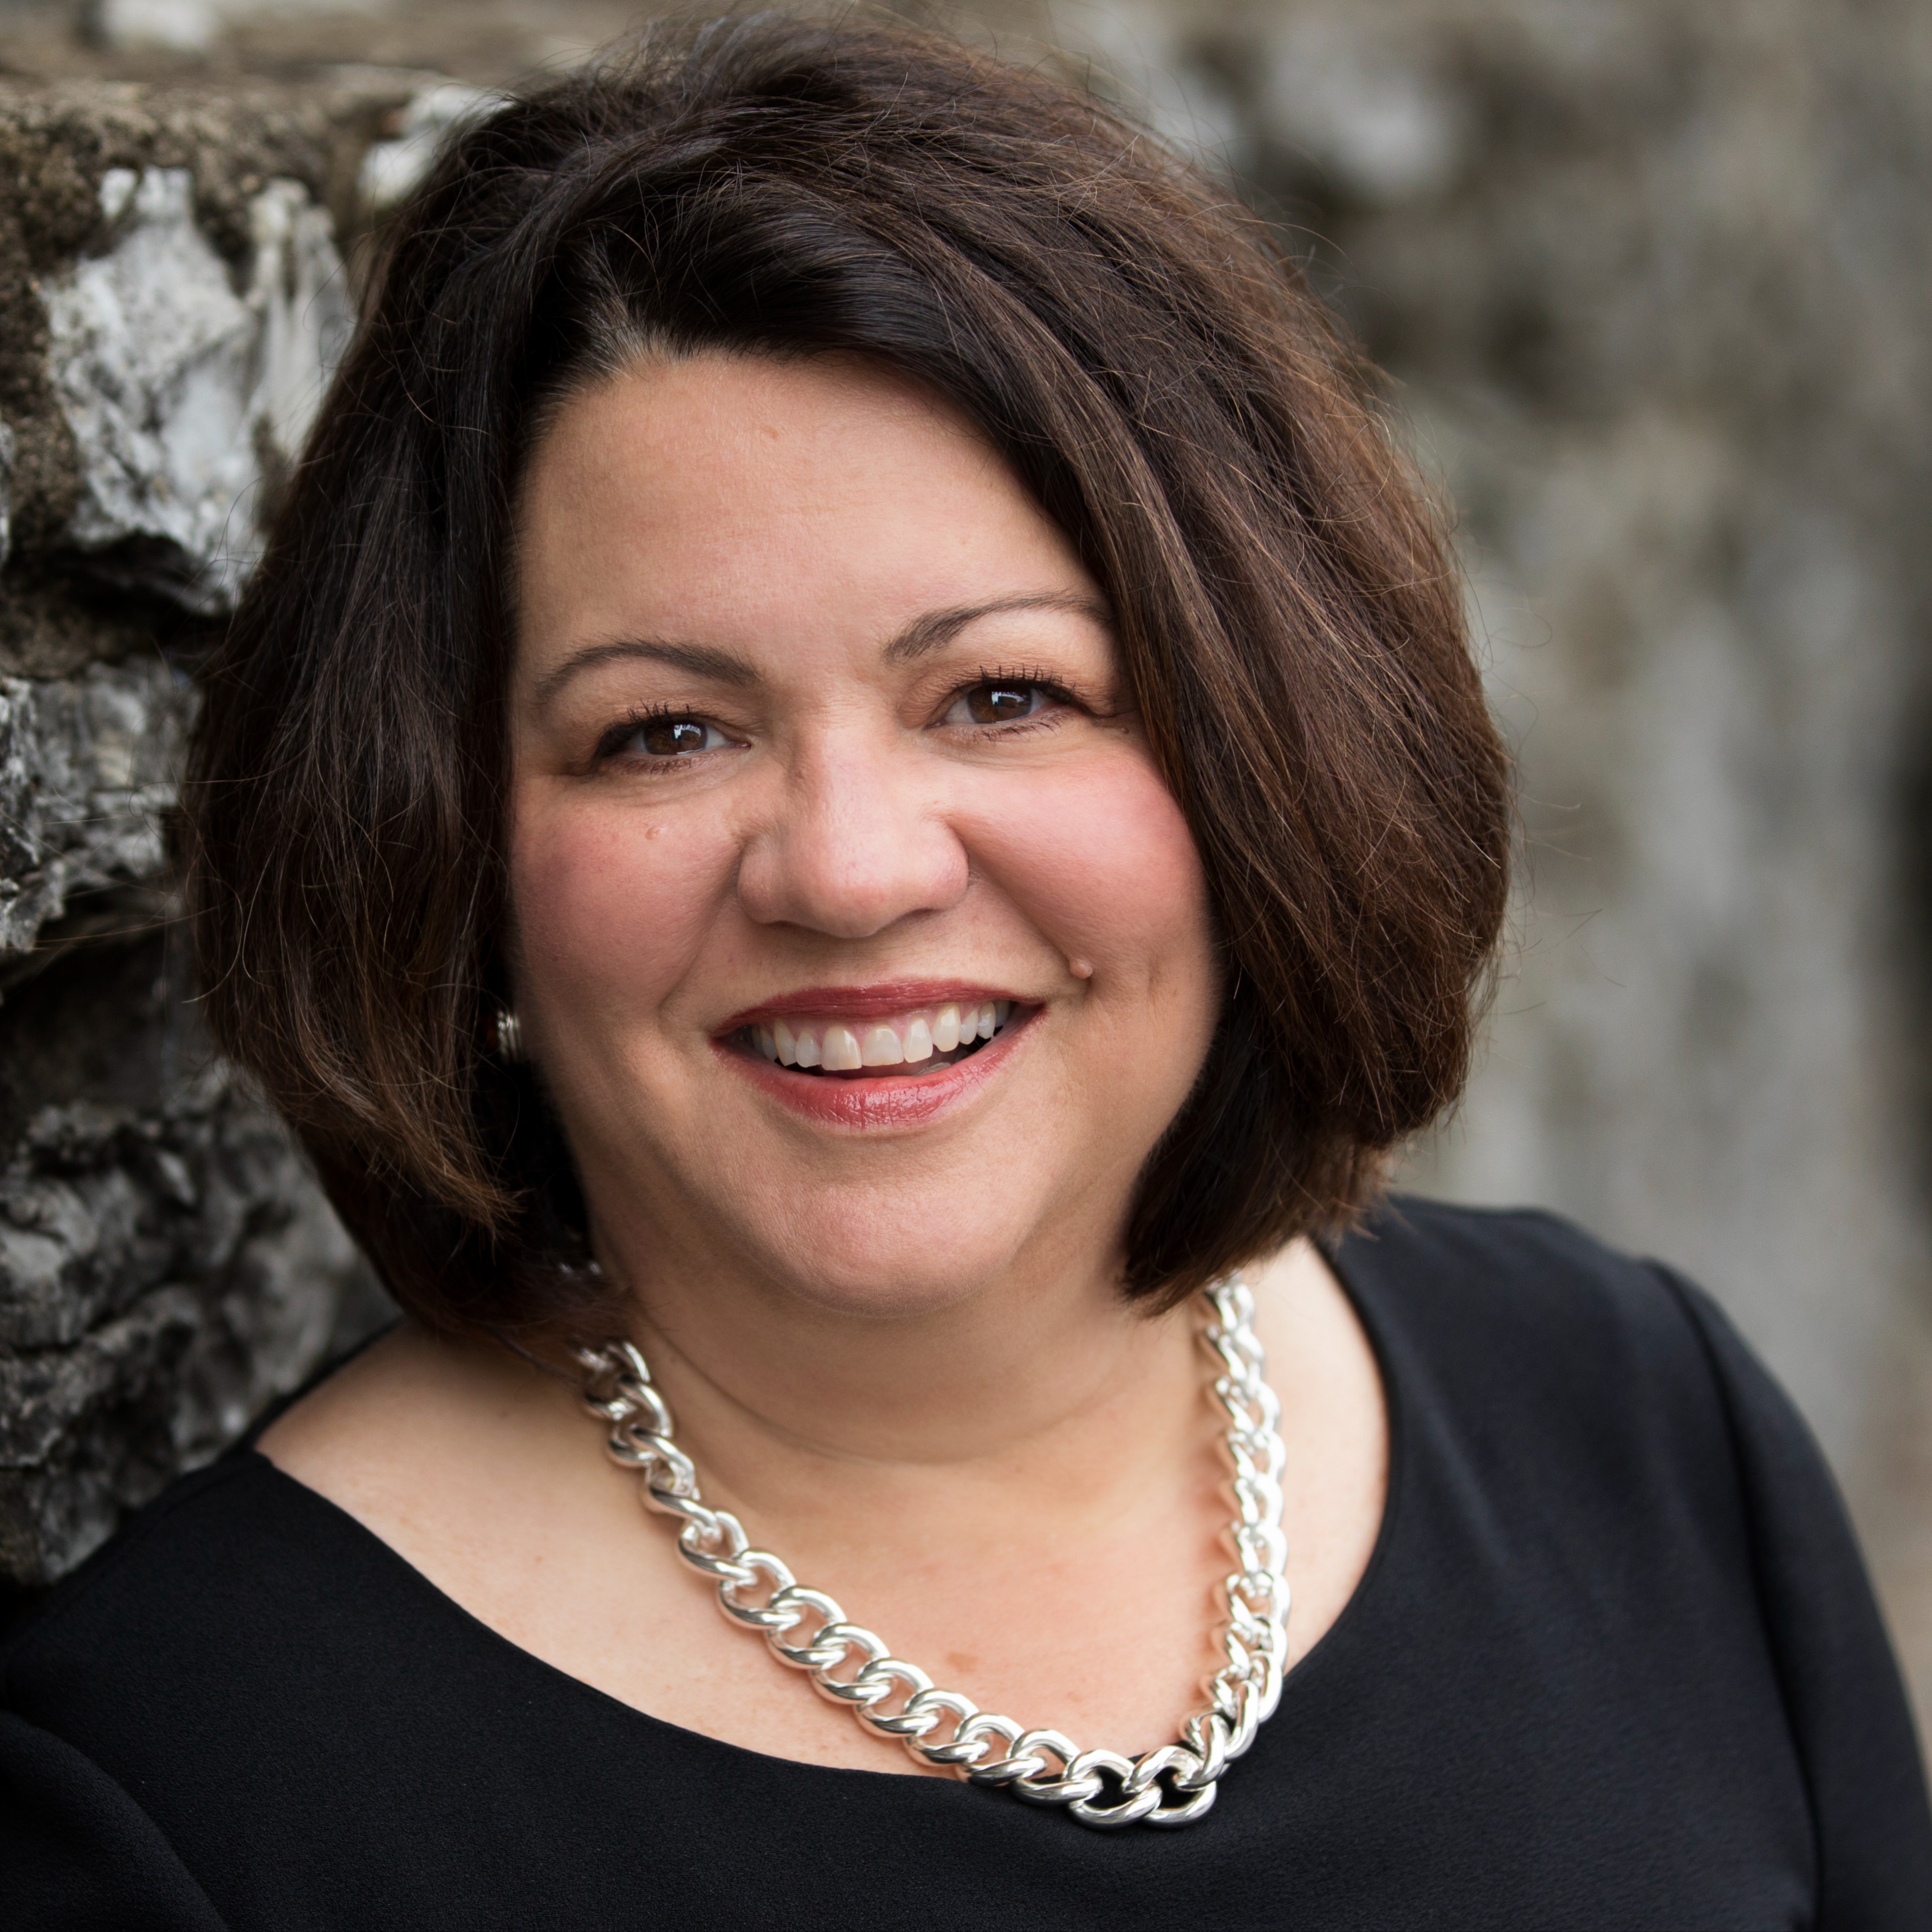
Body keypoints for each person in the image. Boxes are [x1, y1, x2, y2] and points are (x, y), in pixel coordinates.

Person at [4, 14, 1928, 1927]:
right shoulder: (190, 1801)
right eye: (665, 732)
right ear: (457, 864)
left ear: (1257, 760)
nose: (847, 871)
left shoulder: (1643, 1431)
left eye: (1004, 695)